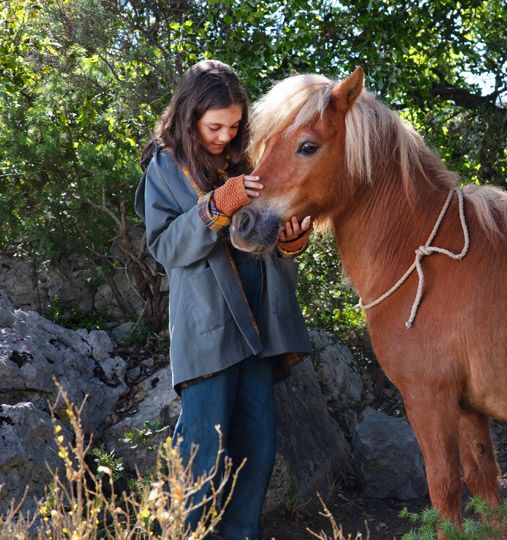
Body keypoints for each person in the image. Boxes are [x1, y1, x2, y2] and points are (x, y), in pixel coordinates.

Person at [135, 59, 312, 540]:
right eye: (215, 127)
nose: (225, 136)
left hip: (259, 327)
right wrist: (216, 205)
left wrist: (291, 240)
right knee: (201, 452)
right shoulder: (166, 168)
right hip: (207, 330)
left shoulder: (250, 160)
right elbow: (166, 248)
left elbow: (267, 238)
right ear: (190, 115)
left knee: (258, 446)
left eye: (234, 126)